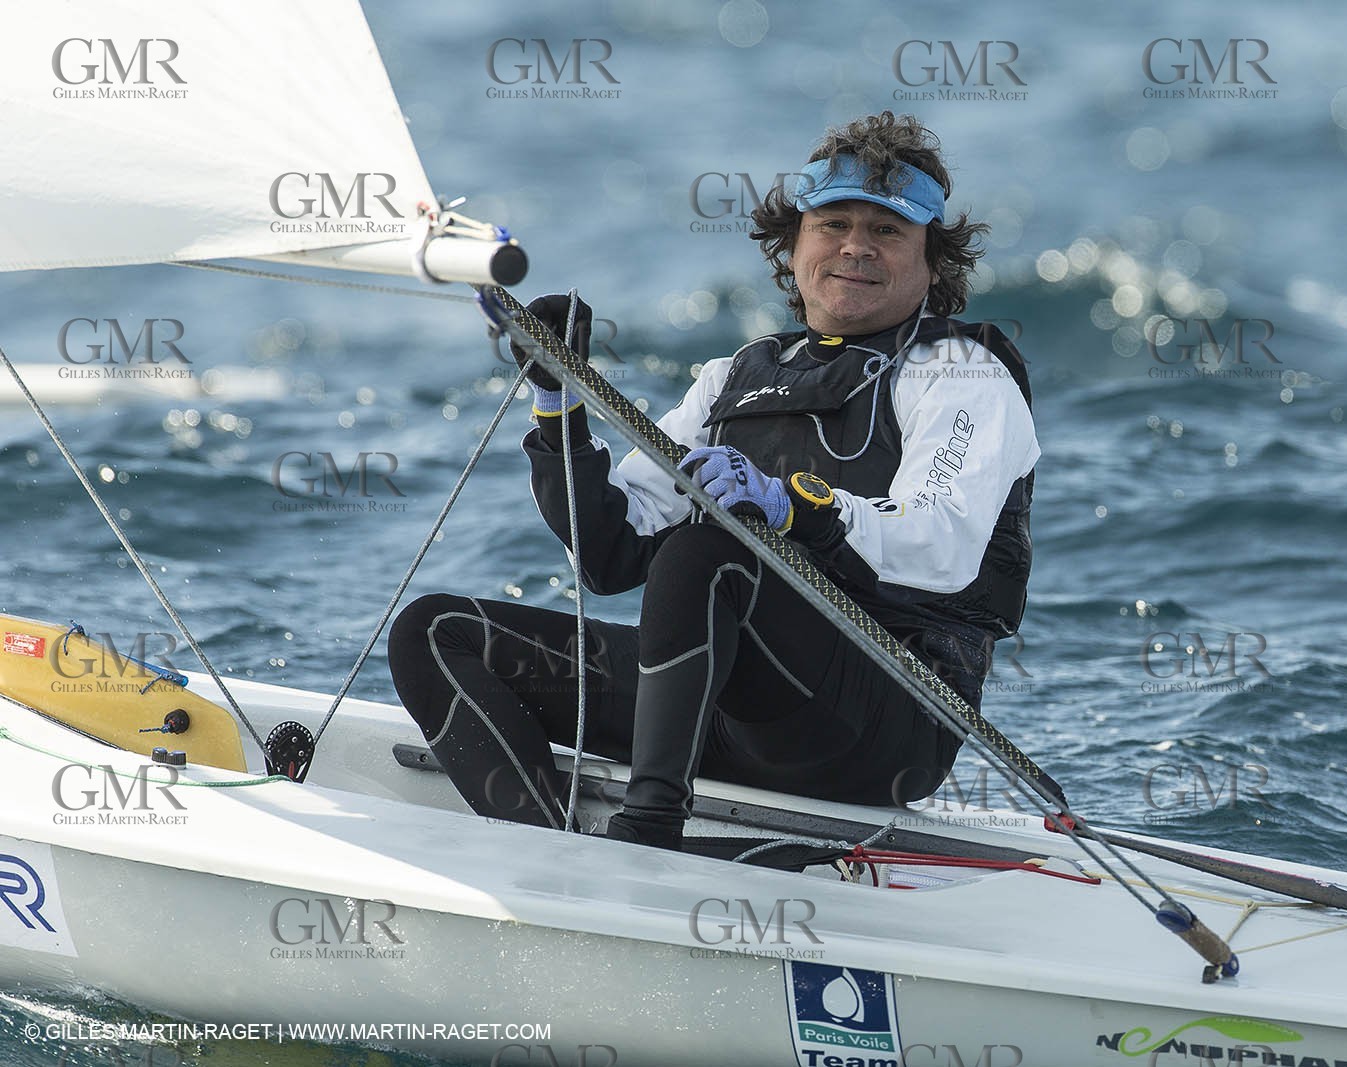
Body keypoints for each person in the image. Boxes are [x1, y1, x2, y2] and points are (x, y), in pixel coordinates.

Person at [388, 111, 1039, 851]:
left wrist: (791, 507)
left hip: (882, 727)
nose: (856, 245)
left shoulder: (963, 374)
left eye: (888, 231)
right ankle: (553, 854)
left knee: (708, 551)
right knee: (435, 633)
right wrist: (558, 406)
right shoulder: (736, 377)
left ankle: (652, 830)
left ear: (932, 263)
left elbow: (941, 546)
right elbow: (609, 552)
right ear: (793, 245)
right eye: (833, 223)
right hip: (726, 709)